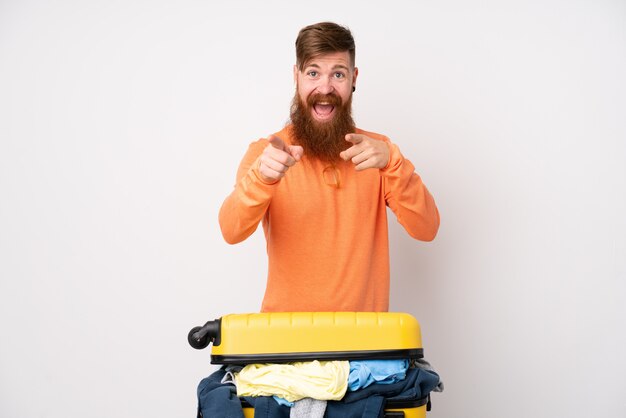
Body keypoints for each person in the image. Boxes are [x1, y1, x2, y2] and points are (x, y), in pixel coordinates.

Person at [218, 22, 440, 313]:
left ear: (354, 78)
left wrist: (393, 163)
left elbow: (427, 228)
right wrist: (261, 178)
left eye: (338, 74)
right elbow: (230, 231)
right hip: (288, 345)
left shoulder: (378, 153)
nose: (325, 88)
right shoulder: (267, 154)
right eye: (313, 73)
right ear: (296, 77)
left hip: (364, 346)